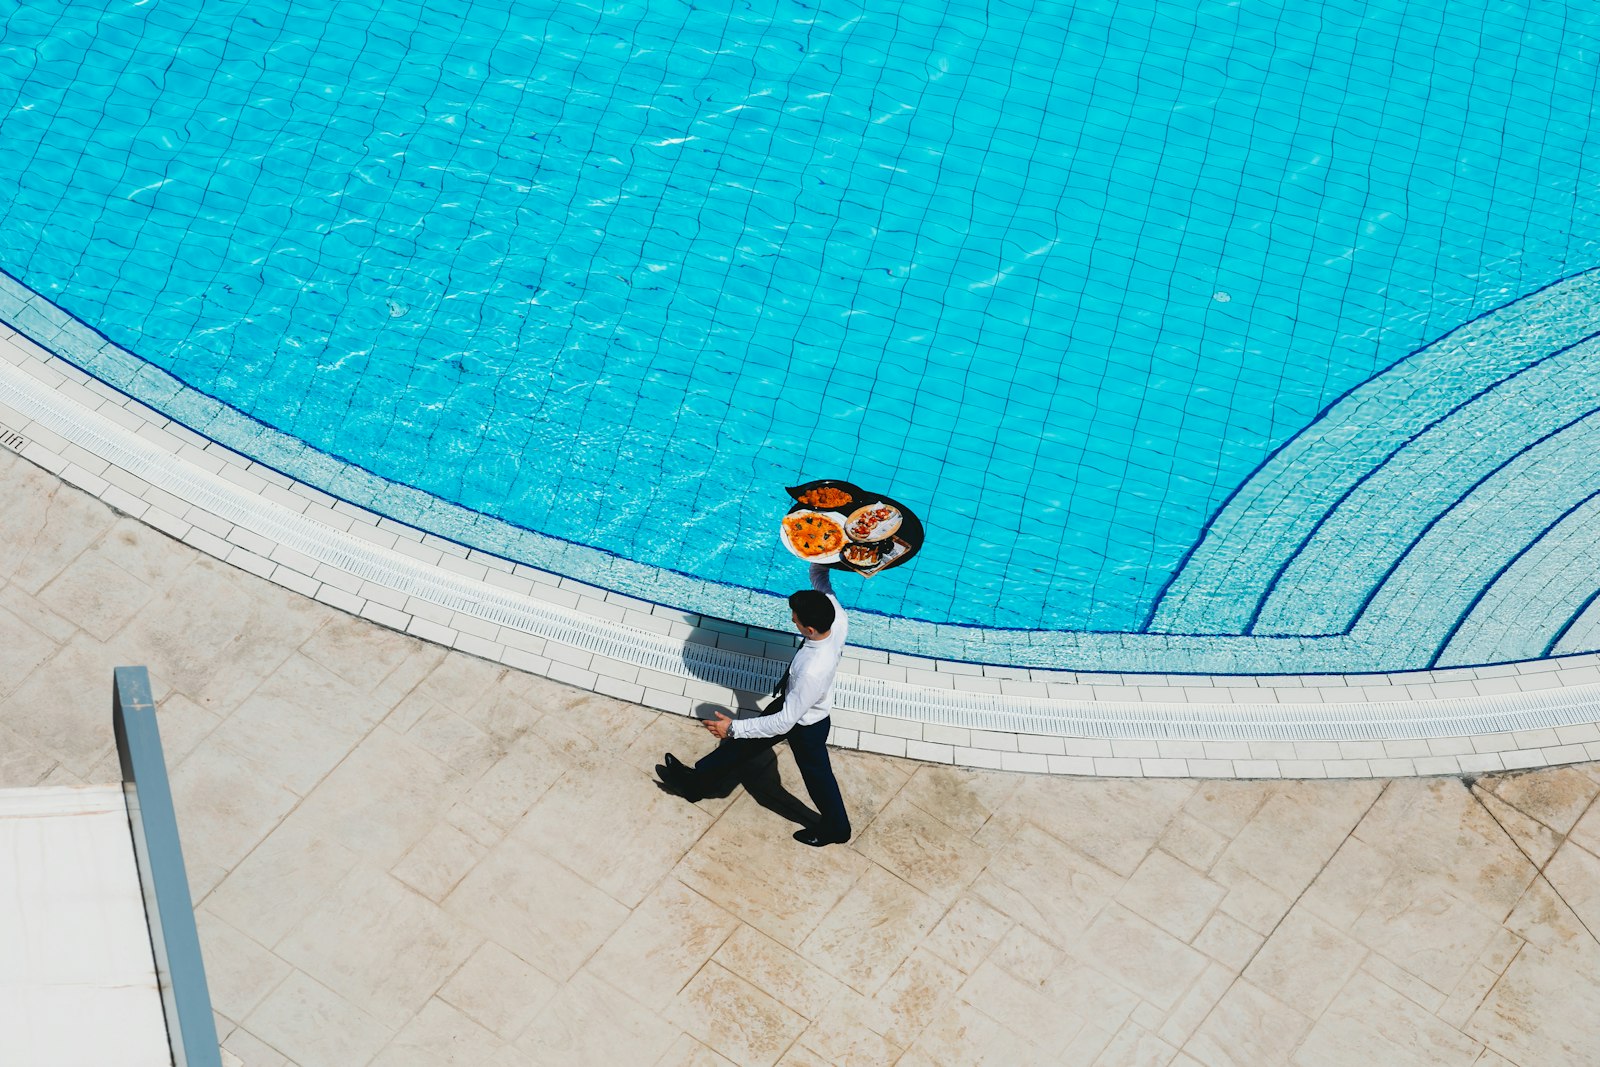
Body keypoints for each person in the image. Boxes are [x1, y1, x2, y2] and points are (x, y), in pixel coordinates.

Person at [658, 564, 852, 846]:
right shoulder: (837, 619)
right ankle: (695, 783)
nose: (793, 621)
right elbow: (821, 582)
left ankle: (837, 828)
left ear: (809, 629)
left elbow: (785, 721)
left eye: (795, 620)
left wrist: (733, 727)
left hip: (805, 723)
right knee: (740, 748)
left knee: (817, 776)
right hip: (794, 705)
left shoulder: (812, 670)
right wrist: (821, 562)